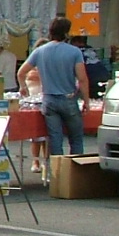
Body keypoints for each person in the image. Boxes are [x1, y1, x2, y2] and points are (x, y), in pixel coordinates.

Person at [18, 18, 89, 157]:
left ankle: (57, 173)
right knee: (76, 139)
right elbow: (82, 79)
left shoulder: (40, 51)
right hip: (68, 98)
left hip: (49, 99)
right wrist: (86, 100)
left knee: (55, 139)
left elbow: (21, 72)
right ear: (66, 33)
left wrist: (23, 87)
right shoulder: (74, 52)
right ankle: (76, 171)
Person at [23, 39, 49, 174]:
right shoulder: (32, 67)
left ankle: (46, 161)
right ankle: (36, 160)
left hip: (47, 101)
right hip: (34, 103)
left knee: (46, 136)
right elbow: (29, 76)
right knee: (36, 136)